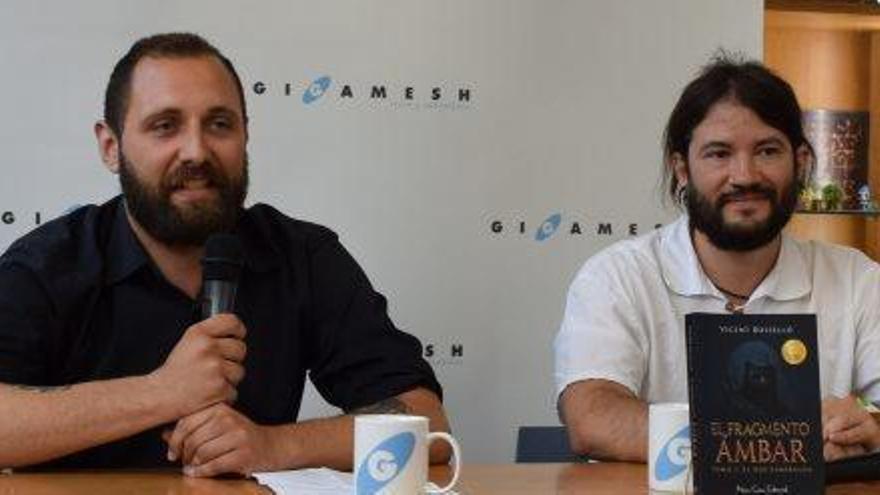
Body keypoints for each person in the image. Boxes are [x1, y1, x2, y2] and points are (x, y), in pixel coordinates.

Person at [0, 32, 450, 476]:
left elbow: (428, 425)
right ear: (111, 146)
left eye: (219, 124)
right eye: (165, 126)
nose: (196, 151)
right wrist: (163, 392)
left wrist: (271, 446)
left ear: (245, 135)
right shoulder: (47, 265)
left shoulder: (304, 257)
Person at [554, 54, 880, 463]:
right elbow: (593, 420)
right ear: (682, 169)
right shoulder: (616, 277)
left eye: (767, 150)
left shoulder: (859, 281)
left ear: (800, 163)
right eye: (718, 153)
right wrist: (782, 444)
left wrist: (867, 425)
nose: (744, 175)